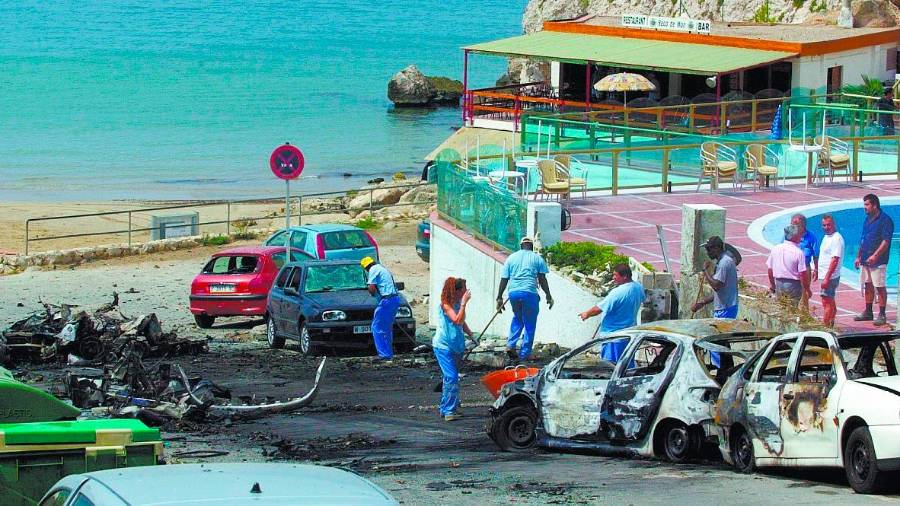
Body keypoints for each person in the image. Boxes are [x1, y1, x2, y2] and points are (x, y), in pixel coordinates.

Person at [497, 237, 553, 363]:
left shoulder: (511, 258)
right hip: (529, 293)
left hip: (513, 293)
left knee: (518, 317)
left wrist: (499, 297)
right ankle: (525, 353)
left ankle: (511, 345)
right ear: (531, 246)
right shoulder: (537, 258)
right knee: (529, 322)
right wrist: (548, 295)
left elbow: (504, 278)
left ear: (521, 246)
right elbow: (542, 279)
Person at [578, 263, 645, 362]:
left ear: (625, 276)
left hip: (613, 337)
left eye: (615, 275)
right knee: (626, 365)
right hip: (629, 334)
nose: (613, 278)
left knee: (610, 367)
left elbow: (599, 308)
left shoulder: (618, 292)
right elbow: (642, 299)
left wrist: (586, 314)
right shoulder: (638, 287)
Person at [433, 277, 473, 422]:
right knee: (451, 377)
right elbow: (456, 319)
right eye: (463, 288)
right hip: (444, 346)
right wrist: (464, 304)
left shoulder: (457, 304)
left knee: (450, 378)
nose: (466, 291)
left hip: (456, 345)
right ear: (457, 290)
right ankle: (449, 410)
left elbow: (462, 322)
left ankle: (447, 407)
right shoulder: (446, 305)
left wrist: (470, 334)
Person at [855, 194, 894, 325]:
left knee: (880, 286)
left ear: (874, 205)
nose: (864, 207)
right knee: (867, 284)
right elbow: (863, 239)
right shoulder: (867, 219)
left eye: (867, 205)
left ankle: (882, 314)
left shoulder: (885, 220)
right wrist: (858, 256)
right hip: (865, 259)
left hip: (878, 261)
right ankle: (868, 311)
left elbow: (886, 241)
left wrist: (875, 255)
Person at [362, 256, 400, 360]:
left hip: (387, 300)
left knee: (377, 327)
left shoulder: (373, 270)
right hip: (394, 299)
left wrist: (372, 293)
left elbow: (372, 287)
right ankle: (388, 354)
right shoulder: (382, 268)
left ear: (366, 268)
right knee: (387, 328)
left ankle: (384, 355)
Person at [691, 236, 738, 318]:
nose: (707, 252)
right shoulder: (722, 261)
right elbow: (721, 291)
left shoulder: (724, 263)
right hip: (724, 308)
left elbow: (716, 286)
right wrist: (702, 303)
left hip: (725, 310)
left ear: (716, 248)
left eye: (709, 249)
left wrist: (705, 270)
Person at [766, 224, 810, 306]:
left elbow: (770, 269)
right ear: (795, 237)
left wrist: (772, 285)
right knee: (792, 308)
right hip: (793, 285)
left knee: (781, 308)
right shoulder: (798, 252)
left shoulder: (776, 248)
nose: (801, 237)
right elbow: (802, 274)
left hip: (779, 283)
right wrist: (807, 289)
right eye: (799, 235)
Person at [818, 214, 845, 327]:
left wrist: (827, 278)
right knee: (830, 300)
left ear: (833, 224)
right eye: (824, 225)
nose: (826, 227)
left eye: (829, 225)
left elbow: (835, 259)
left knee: (826, 302)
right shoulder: (827, 237)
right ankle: (831, 322)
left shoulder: (836, 239)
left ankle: (825, 327)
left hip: (830, 276)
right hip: (825, 275)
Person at [792, 214, 819, 281]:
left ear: (803, 226)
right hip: (791, 268)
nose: (792, 227)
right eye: (792, 224)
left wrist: (816, 270)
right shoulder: (788, 235)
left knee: (804, 290)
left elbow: (815, 255)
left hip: (805, 268)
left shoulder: (811, 237)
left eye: (795, 224)